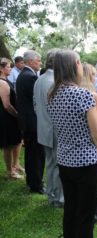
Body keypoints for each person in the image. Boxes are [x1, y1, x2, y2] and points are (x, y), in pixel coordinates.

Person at [48, 50, 97, 238]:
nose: (81, 66)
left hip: (64, 160)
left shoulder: (52, 95)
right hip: (86, 162)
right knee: (85, 214)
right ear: (74, 66)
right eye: (79, 62)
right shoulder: (84, 95)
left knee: (71, 209)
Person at [33, 49, 64, 207]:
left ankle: (51, 195)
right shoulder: (55, 81)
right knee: (57, 165)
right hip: (54, 130)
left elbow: (36, 106)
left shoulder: (39, 79)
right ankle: (58, 198)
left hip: (43, 128)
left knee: (51, 164)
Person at [16, 50, 45, 194]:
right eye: (39, 60)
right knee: (36, 154)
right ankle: (36, 184)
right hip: (32, 122)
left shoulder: (24, 75)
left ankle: (31, 180)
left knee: (31, 153)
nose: (40, 63)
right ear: (31, 61)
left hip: (27, 121)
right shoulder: (30, 77)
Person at [82, 63, 97, 223]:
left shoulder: (70, 92)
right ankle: (96, 213)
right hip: (93, 144)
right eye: (94, 74)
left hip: (77, 147)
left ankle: (84, 211)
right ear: (88, 75)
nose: (96, 76)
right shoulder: (92, 94)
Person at [0, 57, 23, 179]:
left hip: (10, 117)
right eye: (8, 66)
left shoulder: (6, 80)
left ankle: (16, 165)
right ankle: (10, 172)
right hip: (6, 118)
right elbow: (7, 105)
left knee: (17, 141)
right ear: (1, 69)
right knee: (8, 145)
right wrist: (17, 115)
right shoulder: (2, 82)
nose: (11, 68)